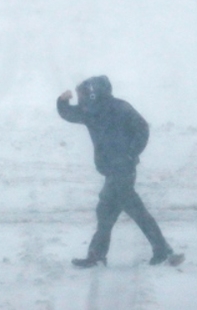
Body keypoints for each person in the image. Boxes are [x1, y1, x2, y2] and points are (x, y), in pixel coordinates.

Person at [57, 75, 174, 267]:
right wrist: (62, 102)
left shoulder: (119, 108)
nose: (82, 98)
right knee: (108, 213)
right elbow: (70, 114)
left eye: (84, 93)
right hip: (113, 171)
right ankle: (100, 255)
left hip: (123, 170)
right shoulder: (92, 110)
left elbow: (142, 128)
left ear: (94, 93)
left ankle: (100, 255)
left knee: (122, 212)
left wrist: (130, 153)